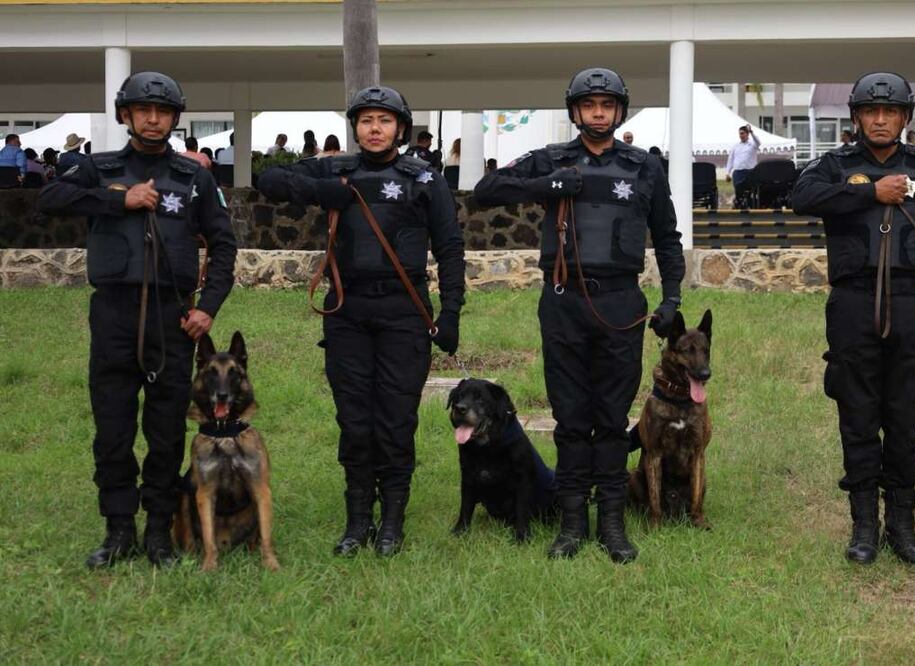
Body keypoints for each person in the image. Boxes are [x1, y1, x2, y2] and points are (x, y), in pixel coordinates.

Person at [475, 67, 685, 564]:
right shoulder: (552, 159)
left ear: (619, 111)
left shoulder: (643, 167)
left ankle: (611, 523)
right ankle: (572, 523)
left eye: (606, 105)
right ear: (574, 111)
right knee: (570, 416)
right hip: (564, 302)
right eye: (588, 104)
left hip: (620, 304)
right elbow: (486, 191)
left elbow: (670, 239)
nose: (597, 112)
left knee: (611, 419)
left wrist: (671, 300)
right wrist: (549, 184)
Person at [36, 71, 238, 569]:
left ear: (174, 117)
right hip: (114, 314)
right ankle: (118, 529)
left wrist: (207, 307)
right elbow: (48, 201)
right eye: (142, 110)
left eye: (163, 111)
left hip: (173, 317)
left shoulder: (195, 177)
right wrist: (116, 199)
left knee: (167, 430)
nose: (153, 119)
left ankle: (158, 534)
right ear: (124, 114)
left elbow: (224, 244)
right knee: (113, 428)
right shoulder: (97, 167)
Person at [257, 86, 464, 558]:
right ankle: (356, 521)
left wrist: (451, 311)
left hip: (404, 313)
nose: (375, 128)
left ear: (401, 129)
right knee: (354, 420)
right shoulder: (334, 168)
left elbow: (450, 248)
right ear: (355, 127)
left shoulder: (424, 178)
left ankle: (391, 521)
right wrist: (317, 190)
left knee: (395, 420)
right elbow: (268, 181)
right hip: (347, 312)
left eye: (385, 121)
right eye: (367, 120)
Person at [791, 71, 915, 568]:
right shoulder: (836, 165)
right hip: (853, 302)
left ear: (906, 117)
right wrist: (872, 191)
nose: (881, 119)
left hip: (912, 300)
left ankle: (904, 525)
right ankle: (864, 525)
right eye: (871, 110)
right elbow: (801, 198)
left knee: (906, 412)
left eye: (891, 111)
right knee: (858, 412)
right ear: (856, 117)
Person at [725, 124, 760, 207]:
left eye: (743, 133)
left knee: (750, 191)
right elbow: (730, 160)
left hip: (750, 172)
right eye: (740, 133)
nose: (741, 135)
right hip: (738, 172)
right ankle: (738, 204)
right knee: (738, 191)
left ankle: (750, 204)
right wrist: (727, 173)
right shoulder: (735, 146)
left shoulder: (752, 145)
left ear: (747, 134)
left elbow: (758, 142)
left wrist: (752, 132)